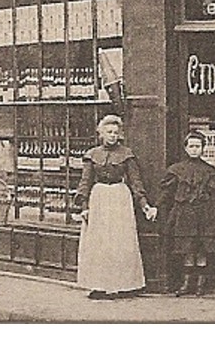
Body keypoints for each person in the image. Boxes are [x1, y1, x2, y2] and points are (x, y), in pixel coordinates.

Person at [75, 114, 156, 298]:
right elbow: (85, 182)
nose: (112, 135)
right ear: (101, 133)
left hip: (120, 198)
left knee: (121, 241)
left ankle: (123, 285)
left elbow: (136, 182)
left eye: (115, 132)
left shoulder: (126, 154)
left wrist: (145, 205)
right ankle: (99, 285)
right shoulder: (92, 154)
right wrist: (84, 207)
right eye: (108, 132)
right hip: (100, 198)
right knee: (100, 243)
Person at [159, 130, 215, 296]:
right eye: (191, 146)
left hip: (205, 214)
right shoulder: (176, 169)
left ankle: (200, 285)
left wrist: (208, 203)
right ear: (186, 148)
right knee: (187, 249)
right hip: (184, 214)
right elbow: (166, 192)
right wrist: (155, 206)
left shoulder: (210, 170)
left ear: (203, 148)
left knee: (202, 249)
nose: (195, 149)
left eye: (198, 146)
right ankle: (186, 284)